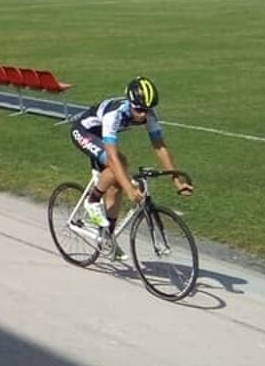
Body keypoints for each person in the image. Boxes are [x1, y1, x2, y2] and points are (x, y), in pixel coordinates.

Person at [69, 77, 193, 255]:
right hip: (84, 132)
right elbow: (112, 157)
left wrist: (176, 181)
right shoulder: (114, 114)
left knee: (116, 186)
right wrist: (130, 189)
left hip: (102, 135)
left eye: (146, 110)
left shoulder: (148, 115)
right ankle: (92, 201)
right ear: (130, 103)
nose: (143, 115)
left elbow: (160, 146)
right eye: (139, 110)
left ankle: (107, 237)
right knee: (119, 163)